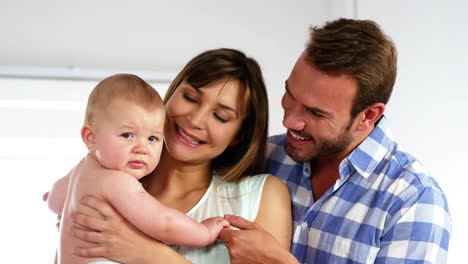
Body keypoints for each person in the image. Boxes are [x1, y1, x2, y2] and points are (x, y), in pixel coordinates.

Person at [217, 18, 452, 263]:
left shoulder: (413, 199)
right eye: (289, 93)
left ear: (368, 116)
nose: (290, 121)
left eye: (316, 112)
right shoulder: (262, 155)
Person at [49, 49, 292, 263]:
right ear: (172, 92)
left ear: (239, 136)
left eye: (220, 116)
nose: (195, 120)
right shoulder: (104, 183)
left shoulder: (259, 196)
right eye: (190, 98)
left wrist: (150, 255)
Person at [45, 74, 232, 264]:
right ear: (91, 137)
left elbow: (53, 201)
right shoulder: (119, 182)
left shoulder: (79, 172)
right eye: (127, 135)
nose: (141, 149)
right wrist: (204, 233)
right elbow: (164, 224)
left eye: (152, 139)